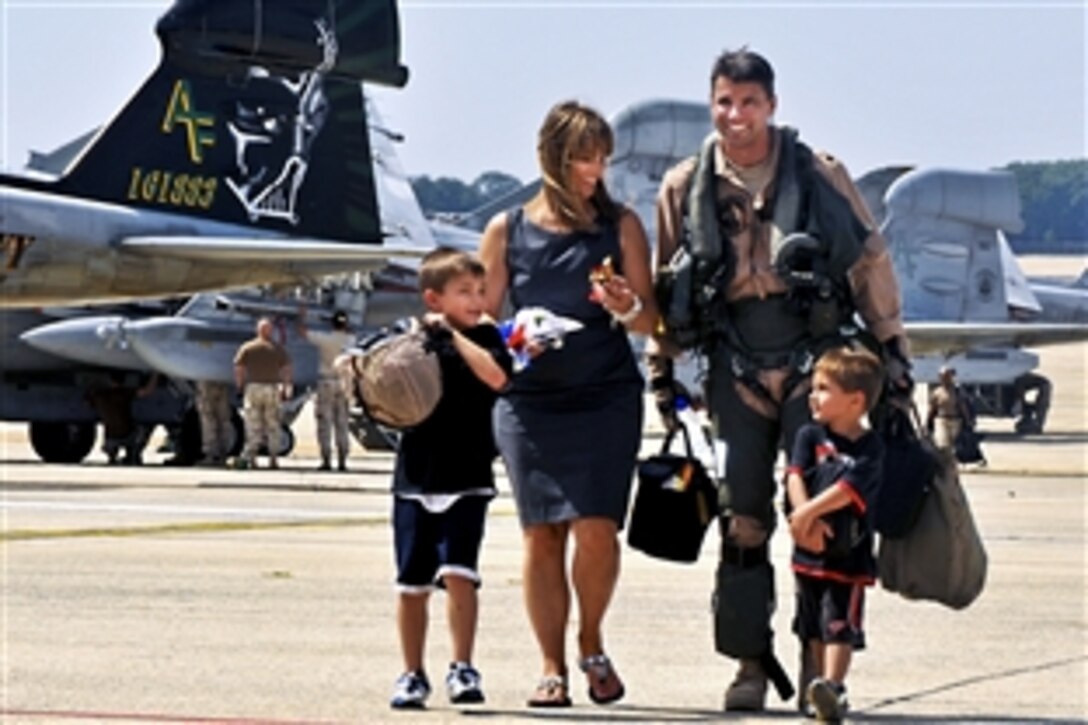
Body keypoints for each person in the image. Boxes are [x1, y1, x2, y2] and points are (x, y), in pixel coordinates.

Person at [647, 48, 910, 712]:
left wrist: (892, 347)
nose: (736, 116)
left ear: (771, 104)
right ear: (712, 104)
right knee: (742, 520)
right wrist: (660, 368)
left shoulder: (819, 176)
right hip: (731, 368)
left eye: (749, 102)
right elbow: (665, 282)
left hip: (810, 368)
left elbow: (869, 260)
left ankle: (814, 663)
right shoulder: (684, 186)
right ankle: (748, 661)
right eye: (724, 102)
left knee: (823, 520)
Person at [478, 100, 658, 708]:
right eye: (584, 156)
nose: (595, 169)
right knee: (542, 535)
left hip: (606, 396)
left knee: (598, 529)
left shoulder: (622, 226)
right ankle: (551, 664)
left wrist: (625, 304)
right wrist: (518, 334)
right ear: (552, 159)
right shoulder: (507, 231)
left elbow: (650, 323)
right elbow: (479, 323)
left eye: (602, 157)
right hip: (530, 403)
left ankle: (591, 639)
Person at [387, 248, 512, 710]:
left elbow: (498, 376)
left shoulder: (487, 338)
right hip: (415, 477)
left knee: (460, 576)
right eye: (464, 292)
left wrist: (453, 336)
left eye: (480, 291)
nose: (477, 299)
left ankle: (462, 665)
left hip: (467, 474)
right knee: (412, 585)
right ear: (434, 298)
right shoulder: (412, 337)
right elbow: (383, 378)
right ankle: (411, 673)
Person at [784, 347, 885, 722]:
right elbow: (795, 474)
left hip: (848, 555)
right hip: (808, 552)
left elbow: (849, 489)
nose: (814, 395)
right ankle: (817, 684)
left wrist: (811, 512)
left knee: (839, 623)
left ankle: (834, 687)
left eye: (824, 388)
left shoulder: (870, 447)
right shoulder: (810, 435)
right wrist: (801, 517)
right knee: (811, 624)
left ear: (856, 400)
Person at [297, 308, 354, 471]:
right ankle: (343, 460)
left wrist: (301, 317)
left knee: (325, 422)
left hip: (326, 381)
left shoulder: (325, 339)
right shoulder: (352, 340)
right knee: (342, 422)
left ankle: (326, 459)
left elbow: (303, 332)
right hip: (344, 382)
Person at [233, 317, 292, 470]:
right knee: (273, 424)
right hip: (272, 388)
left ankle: (252, 458)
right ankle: (273, 459)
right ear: (271, 331)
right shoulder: (278, 349)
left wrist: (239, 386)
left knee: (253, 424)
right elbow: (286, 370)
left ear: (258, 330)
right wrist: (286, 388)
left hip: (253, 388)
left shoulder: (248, 347)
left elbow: (239, 369)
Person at [86, 371, 159, 465]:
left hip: (110, 437)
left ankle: (113, 455)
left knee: (113, 443)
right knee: (143, 431)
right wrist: (155, 375)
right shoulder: (124, 394)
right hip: (127, 434)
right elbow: (146, 391)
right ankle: (132, 454)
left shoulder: (100, 396)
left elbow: (88, 398)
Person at [195, 380, 234, 467]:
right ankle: (223, 453)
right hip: (221, 381)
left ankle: (211, 454)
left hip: (206, 380)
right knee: (223, 419)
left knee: (208, 419)